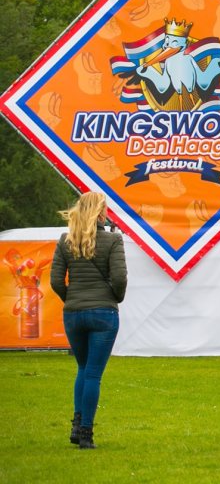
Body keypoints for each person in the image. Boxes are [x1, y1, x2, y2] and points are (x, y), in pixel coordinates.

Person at [50, 192, 127, 450]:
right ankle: (85, 434)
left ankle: (76, 423)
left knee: (82, 370)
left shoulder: (65, 240)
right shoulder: (113, 240)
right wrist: (115, 297)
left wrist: (71, 299)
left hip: (73, 313)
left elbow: (56, 281)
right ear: (101, 212)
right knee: (94, 373)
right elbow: (119, 279)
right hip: (104, 313)